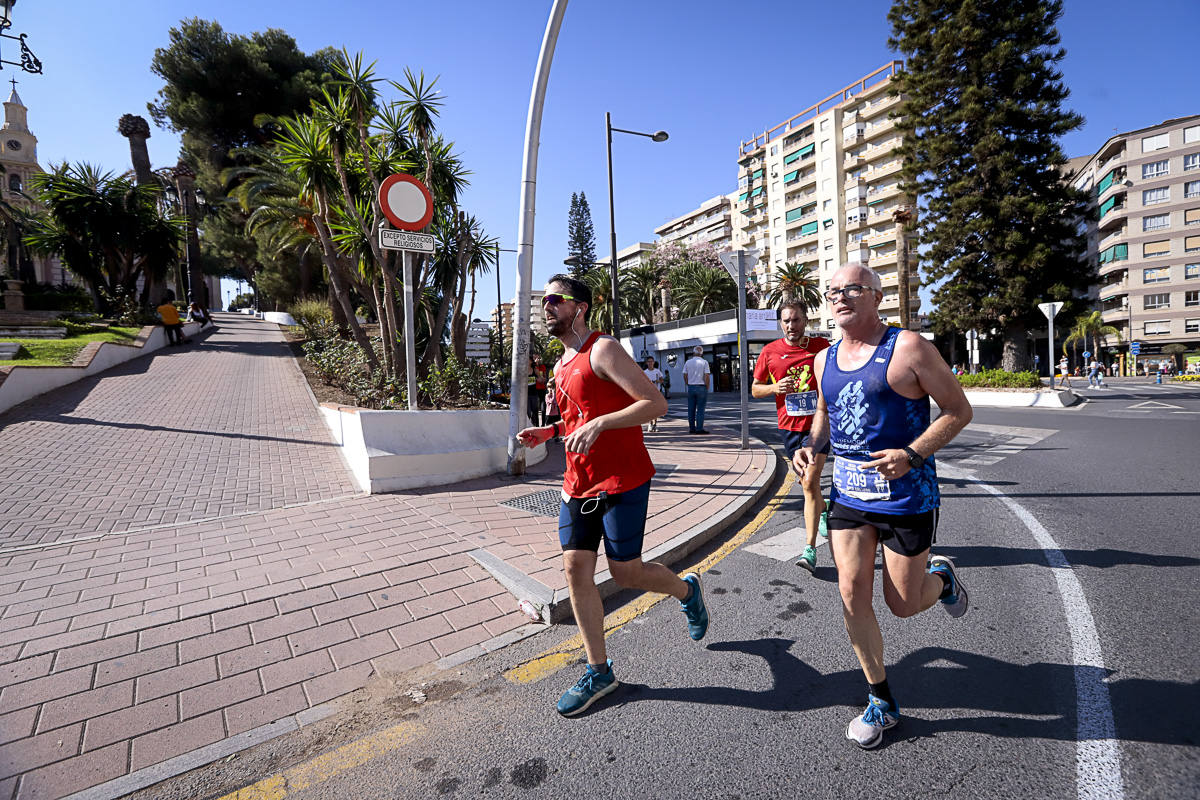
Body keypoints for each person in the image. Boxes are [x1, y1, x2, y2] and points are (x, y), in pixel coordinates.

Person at [794, 263, 973, 749]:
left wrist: (912, 454)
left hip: (907, 497)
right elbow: (825, 413)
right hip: (850, 495)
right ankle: (881, 700)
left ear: (876, 295)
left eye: (851, 288)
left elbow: (959, 410)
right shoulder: (823, 359)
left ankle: (943, 581)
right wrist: (812, 446)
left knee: (902, 604)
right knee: (851, 593)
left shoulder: (909, 348)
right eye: (832, 291)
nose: (839, 297)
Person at [517, 274, 709, 717]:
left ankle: (686, 591)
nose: (546, 307)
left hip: (622, 480)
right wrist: (550, 431)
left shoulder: (601, 349)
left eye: (554, 300)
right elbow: (580, 418)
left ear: (579, 307)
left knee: (626, 574)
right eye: (543, 301)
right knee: (575, 571)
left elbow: (654, 404)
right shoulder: (563, 361)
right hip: (577, 483)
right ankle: (599, 671)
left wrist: (602, 424)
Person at [751, 300, 830, 574]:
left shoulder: (821, 347)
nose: (790, 326)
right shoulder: (770, 351)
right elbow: (755, 389)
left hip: (818, 426)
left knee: (809, 482)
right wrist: (774, 387)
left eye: (795, 320)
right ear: (780, 323)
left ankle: (809, 549)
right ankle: (823, 505)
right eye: (786, 321)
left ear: (805, 320)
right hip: (789, 428)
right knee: (806, 483)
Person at [683, 345, 711, 434]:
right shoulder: (704, 362)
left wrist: (688, 383)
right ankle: (699, 429)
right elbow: (707, 375)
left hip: (691, 387)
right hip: (701, 387)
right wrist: (707, 386)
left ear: (693, 352)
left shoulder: (688, 362)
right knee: (700, 409)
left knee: (691, 409)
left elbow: (684, 374)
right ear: (702, 353)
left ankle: (692, 428)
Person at [642, 356, 664, 432]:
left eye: (652, 361)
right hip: (648, 393)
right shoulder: (645, 372)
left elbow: (662, 380)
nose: (650, 363)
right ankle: (650, 424)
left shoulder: (657, 371)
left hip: (656, 392)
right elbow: (643, 382)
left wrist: (657, 381)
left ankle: (655, 425)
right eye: (649, 361)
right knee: (650, 409)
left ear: (654, 362)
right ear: (647, 363)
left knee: (656, 410)